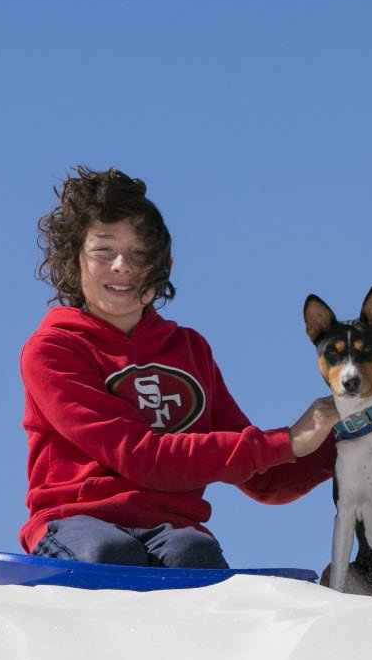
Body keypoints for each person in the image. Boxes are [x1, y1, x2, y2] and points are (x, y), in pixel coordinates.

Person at [18, 166, 340, 569]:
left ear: (164, 266)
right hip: (76, 523)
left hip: (173, 530)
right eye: (103, 250)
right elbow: (139, 456)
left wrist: (356, 436)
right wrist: (288, 440)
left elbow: (263, 477)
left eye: (140, 254)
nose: (122, 265)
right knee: (112, 556)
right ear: (73, 259)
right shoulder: (53, 351)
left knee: (196, 555)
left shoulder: (190, 350)